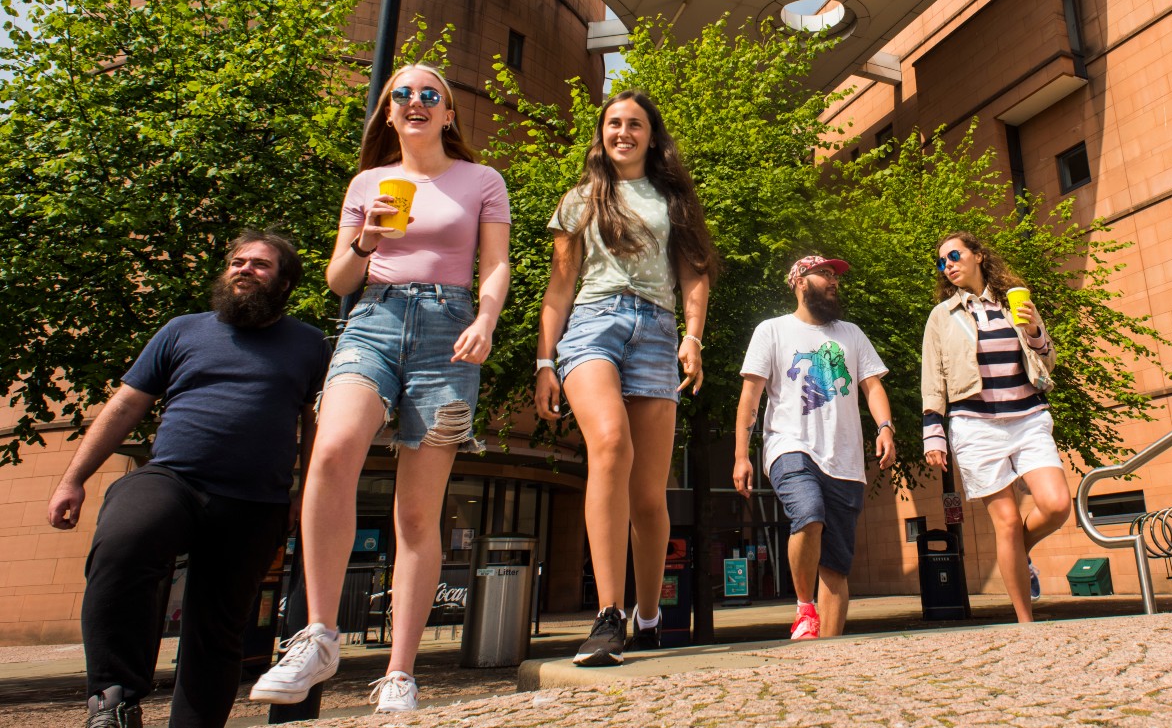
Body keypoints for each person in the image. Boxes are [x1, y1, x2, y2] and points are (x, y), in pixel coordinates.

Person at [251, 64, 511, 713]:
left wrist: (485, 319)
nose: (415, 101)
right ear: (389, 113)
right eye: (402, 94)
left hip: (450, 329)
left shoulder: (482, 180)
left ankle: (399, 672)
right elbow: (340, 280)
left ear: (448, 113)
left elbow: (496, 262)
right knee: (333, 449)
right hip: (374, 319)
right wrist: (366, 238)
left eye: (429, 94)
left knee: (417, 512)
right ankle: (319, 634)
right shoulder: (368, 182)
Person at [46, 230, 328, 728]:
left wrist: (305, 496)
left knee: (218, 630)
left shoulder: (310, 344)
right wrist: (73, 479)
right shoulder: (182, 331)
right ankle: (113, 702)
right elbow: (125, 405)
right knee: (123, 545)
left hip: (255, 500)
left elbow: (316, 425)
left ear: (284, 283)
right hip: (172, 479)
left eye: (260, 264)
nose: (244, 269)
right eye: (237, 261)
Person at [533, 90, 715, 667]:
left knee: (648, 495)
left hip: (658, 332)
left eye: (635, 124)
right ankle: (608, 615)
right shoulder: (579, 200)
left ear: (651, 137)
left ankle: (649, 616)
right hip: (593, 325)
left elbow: (694, 275)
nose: (623, 132)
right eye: (613, 123)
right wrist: (544, 362)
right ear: (602, 133)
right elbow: (560, 288)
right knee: (610, 443)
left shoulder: (673, 199)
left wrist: (692, 337)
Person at [733, 255, 896, 640]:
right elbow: (750, 397)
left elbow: (872, 386)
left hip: (845, 460)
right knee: (808, 513)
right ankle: (805, 607)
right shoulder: (772, 330)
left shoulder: (851, 334)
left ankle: (828, 653)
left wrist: (885, 427)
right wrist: (741, 455)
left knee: (836, 567)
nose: (833, 280)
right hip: (789, 446)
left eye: (835, 275)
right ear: (800, 282)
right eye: (824, 273)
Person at [921, 230, 1071, 623]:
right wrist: (933, 433)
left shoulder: (1012, 304)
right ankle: (1026, 623)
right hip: (975, 426)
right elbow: (932, 378)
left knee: (1056, 505)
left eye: (955, 256)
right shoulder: (942, 316)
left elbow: (1047, 361)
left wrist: (1035, 330)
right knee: (1005, 524)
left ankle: (1021, 551)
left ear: (978, 256)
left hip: (1028, 417)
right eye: (942, 262)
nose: (948, 265)